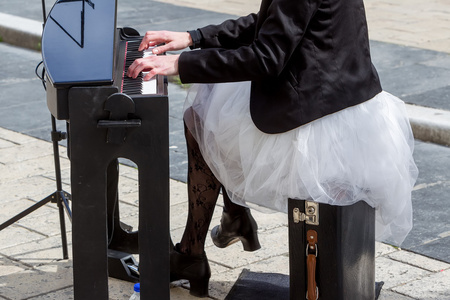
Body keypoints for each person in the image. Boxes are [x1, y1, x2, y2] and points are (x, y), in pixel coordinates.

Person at [127, 0, 418, 297]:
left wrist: (180, 64)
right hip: (344, 88)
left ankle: (201, 245)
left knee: (202, 117)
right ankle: (230, 217)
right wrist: (194, 37)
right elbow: (272, 23)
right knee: (208, 114)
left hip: (317, 108)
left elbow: (267, 57)